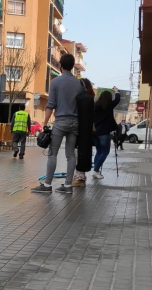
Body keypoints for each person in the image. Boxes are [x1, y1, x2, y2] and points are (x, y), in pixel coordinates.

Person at [32, 54, 85, 194]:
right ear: (73, 66)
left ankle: (47, 185)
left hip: (61, 121)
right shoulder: (80, 84)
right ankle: (68, 186)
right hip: (75, 122)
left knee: (52, 153)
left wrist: (44, 124)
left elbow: (50, 105)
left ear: (60, 66)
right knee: (70, 155)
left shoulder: (56, 82)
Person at [90, 88, 121, 179]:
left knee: (99, 152)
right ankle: (95, 170)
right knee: (105, 152)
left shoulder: (95, 106)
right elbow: (117, 100)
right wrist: (117, 91)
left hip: (95, 132)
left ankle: (96, 170)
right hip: (104, 133)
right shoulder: (108, 105)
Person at [72, 78, 96, 187]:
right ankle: (80, 177)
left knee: (78, 153)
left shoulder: (82, 99)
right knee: (82, 152)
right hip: (86, 132)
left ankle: (79, 178)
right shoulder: (90, 99)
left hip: (80, 130)